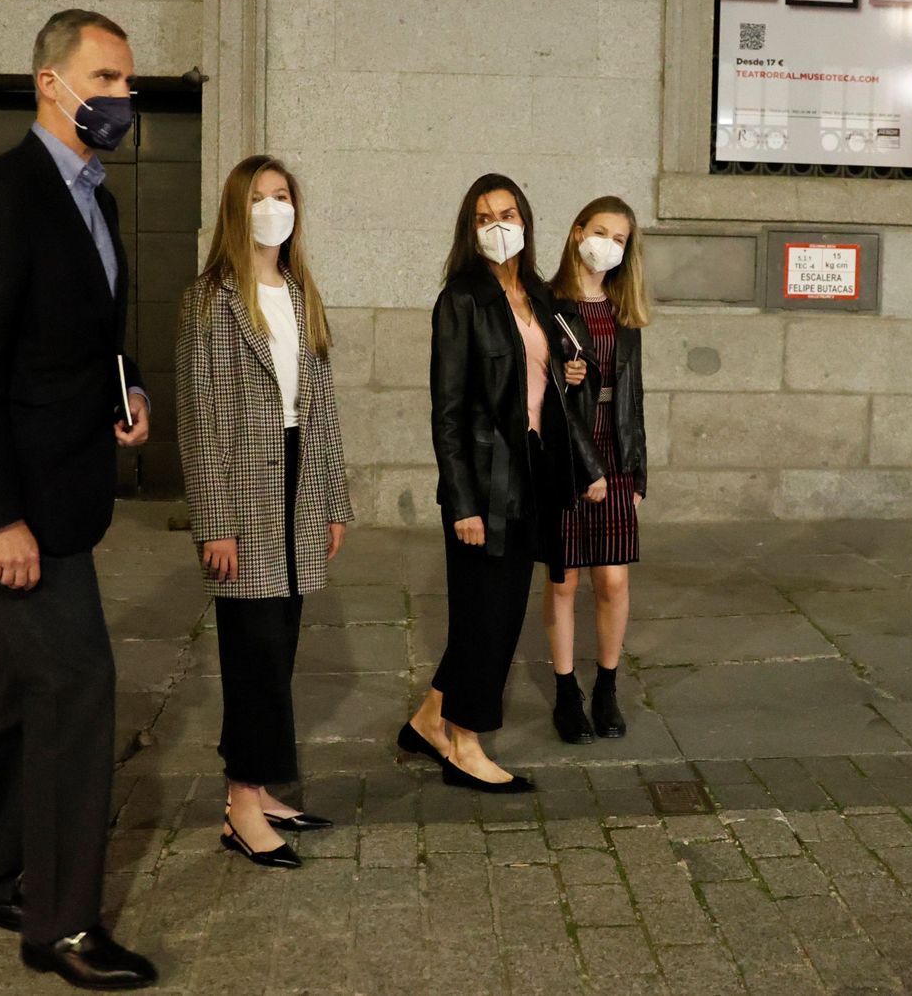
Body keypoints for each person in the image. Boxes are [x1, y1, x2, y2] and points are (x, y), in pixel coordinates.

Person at [0, 9, 156, 991]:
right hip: (22, 507)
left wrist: (128, 393)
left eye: (128, 82)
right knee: (75, 690)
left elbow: (90, 334)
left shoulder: (96, 200)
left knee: (19, 691)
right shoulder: (1, 197)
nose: (121, 97)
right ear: (49, 83)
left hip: (70, 487)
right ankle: (62, 926)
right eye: (103, 78)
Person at [399, 173, 605, 793]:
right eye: (485, 216)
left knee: (494, 611)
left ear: (525, 220)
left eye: (507, 213)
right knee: (487, 616)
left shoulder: (541, 296)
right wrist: (462, 503)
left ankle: (430, 720)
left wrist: (573, 374)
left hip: (534, 474)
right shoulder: (461, 299)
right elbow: (448, 412)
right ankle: (465, 745)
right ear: (471, 228)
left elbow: (555, 386)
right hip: (484, 485)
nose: (498, 225)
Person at [176, 155, 354, 869]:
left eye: (282, 195)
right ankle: (241, 807)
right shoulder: (209, 299)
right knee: (251, 652)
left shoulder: (302, 292)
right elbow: (198, 419)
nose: (273, 207)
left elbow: (323, 406)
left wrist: (334, 501)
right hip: (243, 490)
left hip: (299, 478)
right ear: (236, 209)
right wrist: (214, 521)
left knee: (280, 646)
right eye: (259, 197)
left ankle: (257, 787)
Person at [542, 196, 651, 745]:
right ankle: (566, 693)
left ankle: (607, 687)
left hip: (616, 448)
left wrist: (638, 473)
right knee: (564, 580)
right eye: (600, 232)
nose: (607, 244)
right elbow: (540, 390)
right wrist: (566, 380)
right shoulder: (549, 303)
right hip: (567, 448)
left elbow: (634, 397)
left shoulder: (622, 310)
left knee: (612, 579)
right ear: (577, 231)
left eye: (619, 238)